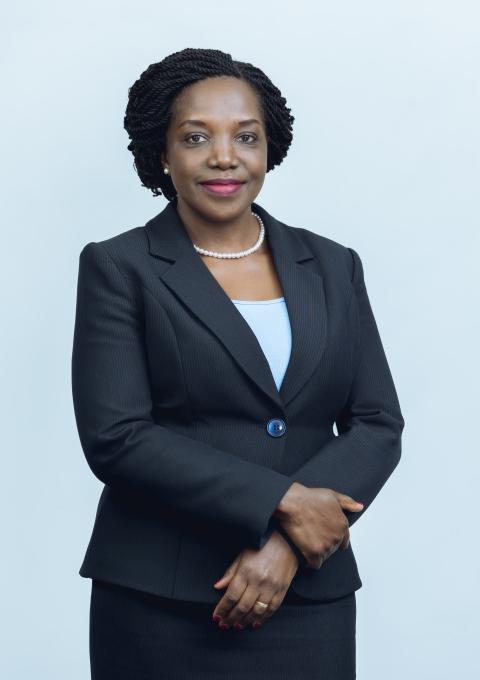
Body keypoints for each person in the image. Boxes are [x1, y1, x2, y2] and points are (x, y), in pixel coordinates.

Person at [71, 47, 405, 679]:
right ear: (162, 153)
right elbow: (116, 436)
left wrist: (289, 544)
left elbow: (377, 423)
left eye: (245, 137)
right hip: (159, 598)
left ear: (269, 148)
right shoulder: (120, 266)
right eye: (196, 137)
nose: (224, 157)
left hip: (308, 597)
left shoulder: (333, 265)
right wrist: (282, 500)